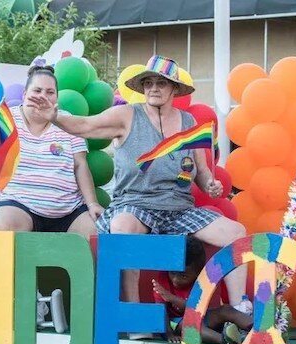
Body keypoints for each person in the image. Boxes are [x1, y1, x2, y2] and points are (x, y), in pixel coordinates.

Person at [28, 55, 252, 323]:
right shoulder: (127, 115)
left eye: (161, 83)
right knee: (122, 228)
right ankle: (133, 318)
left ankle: (241, 310)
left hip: (178, 208)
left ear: (174, 89)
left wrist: (211, 185)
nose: (153, 88)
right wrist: (55, 117)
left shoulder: (190, 124)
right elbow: (86, 126)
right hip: (135, 204)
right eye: (148, 83)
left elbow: (202, 173)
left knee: (237, 233)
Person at [0, 65, 101, 236]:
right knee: (7, 225)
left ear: (57, 97)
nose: (42, 96)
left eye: (50, 92)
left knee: (96, 231)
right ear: (24, 94)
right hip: (11, 203)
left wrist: (92, 204)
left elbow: (80, 166)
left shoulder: (66, 121)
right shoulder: (4, 119)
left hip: (68, 211)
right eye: (37, 90)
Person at [152, 238, 252, 344]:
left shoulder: (202, 280)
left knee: (226, 310)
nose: (175, 279)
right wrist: (169, 335)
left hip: (199, 314)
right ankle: (227, 340)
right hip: (175, 322)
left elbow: (196, 308)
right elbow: (161, 313)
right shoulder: (162, 280)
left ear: (198, 273)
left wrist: (172, 298)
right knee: (193, 327)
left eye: (184, 276)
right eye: (172, 273)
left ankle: (259, 329)